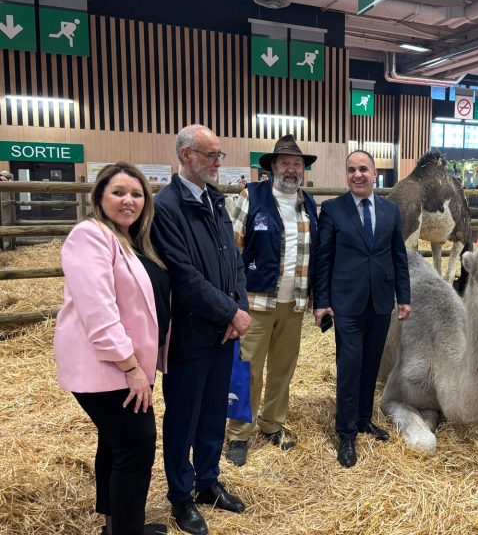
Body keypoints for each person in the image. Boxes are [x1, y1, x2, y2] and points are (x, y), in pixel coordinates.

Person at [54, 162, 170, 535]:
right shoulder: (90, 236)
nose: (128, 200)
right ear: (99, 197)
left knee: (116, 446)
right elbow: (98, 311)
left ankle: (114, 526)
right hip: (112, 368)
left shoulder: (130, 239)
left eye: (136, 194)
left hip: (126, 366)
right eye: (118, 192)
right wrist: (131, 366)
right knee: (136, 451)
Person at [151, 125, 251, 535]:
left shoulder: (215, 199)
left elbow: (234, 263)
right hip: (190, 335)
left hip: (223, 332)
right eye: (211, 155)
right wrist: (231, 312)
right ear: (186, 155)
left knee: (213, 414)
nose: (218, 163)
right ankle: (180, 497)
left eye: (220, 155)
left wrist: (238, 309)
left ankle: (208, 482)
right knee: (183, 419)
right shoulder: (166, 207)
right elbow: (184, 276)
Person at [313, 150, 411, 468]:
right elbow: (323, 259)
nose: (358, 175)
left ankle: (365, 419)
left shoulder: (389, 211)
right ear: (347, 175)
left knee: (371, 365)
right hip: (347, 303)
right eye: (352, 170)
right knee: (350, 366)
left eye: (364, 169)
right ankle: (346, 432)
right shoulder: (332, 210)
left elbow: (399, 256)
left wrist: (404, 297)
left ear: (374, 174)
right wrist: (322, 301)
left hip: (381, 302)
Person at [225, 135, 318, 466]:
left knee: (282, 368)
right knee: (249, 369)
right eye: (285, 163)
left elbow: (314, 255)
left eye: (297, 164)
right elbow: (233, 250)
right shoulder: (252, 197)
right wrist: (233, 301)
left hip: (293, 304)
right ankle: (238, 434)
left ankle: (272, 426)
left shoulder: (308, 204)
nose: (291, 169)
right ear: (272, 167)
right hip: (255, 303)